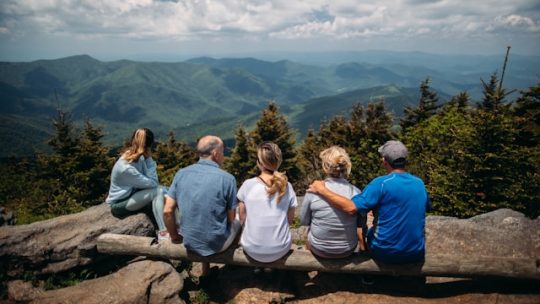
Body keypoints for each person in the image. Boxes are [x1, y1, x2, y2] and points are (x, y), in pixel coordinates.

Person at [308, 140, 430, 264]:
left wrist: (322, 190)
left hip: (386, 252)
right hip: (416, 252)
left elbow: (351, 208)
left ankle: (368, 270)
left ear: (384, 161)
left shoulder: (381, 183)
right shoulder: (419, 183)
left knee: (369, 231)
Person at [163, 135, 241, 277]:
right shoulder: (228, 179)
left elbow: (168, 211)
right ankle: (233, 263)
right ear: (216, 154)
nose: (223, 156)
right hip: (216, 245)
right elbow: (230, 219)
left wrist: (174, 236)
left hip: (189, 242)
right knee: (238, 221)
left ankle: (205, 271)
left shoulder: (181, 174)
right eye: (223, 152)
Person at [237, 142, 297, 265]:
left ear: (260, 163)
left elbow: (242, 218)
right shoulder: (287, 186)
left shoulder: (248, 185)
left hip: (252, 249)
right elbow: (289, 220)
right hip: (281, 248)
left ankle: (257, 268)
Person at [105, 128, 169, 239]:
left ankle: (178, 226)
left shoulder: (135, 157)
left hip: (133, 195)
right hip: (119, 204)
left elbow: (148, 182)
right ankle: (164, 233)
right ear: (149, 146)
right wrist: (149, 160)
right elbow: (153, 183)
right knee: (158, 192)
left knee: (168, 190)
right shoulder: (127, 167)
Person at [300, 146, 361, 258]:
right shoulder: (356, 192)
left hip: (319, 249)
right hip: (347, 249)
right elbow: (360, 223)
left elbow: (304, 220)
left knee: (308, 230)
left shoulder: (314, 190)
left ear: (325, 167)